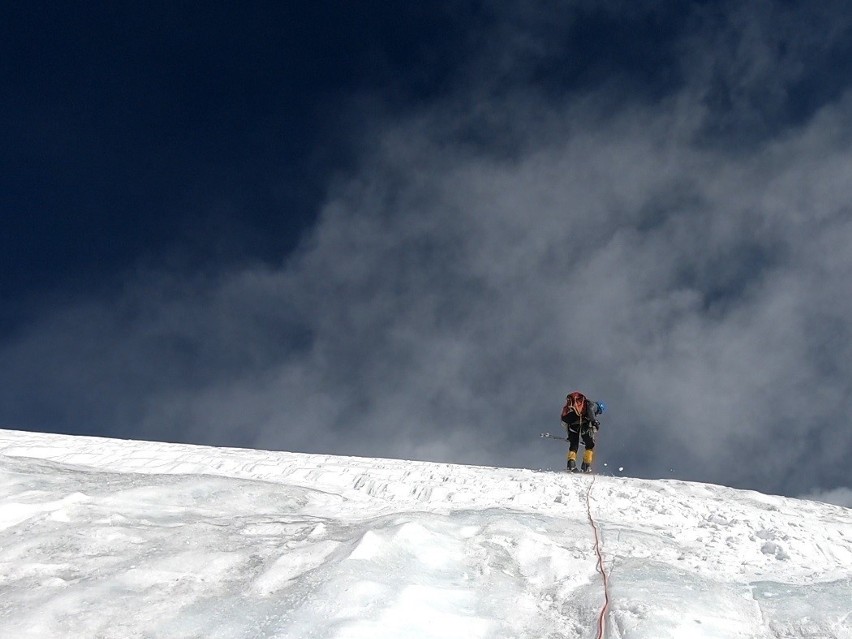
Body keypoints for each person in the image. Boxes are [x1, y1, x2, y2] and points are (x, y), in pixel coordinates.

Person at [560, 391, 604, 473]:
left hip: (572, 425)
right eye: (599, 412)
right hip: (583, 424)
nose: (598, 413)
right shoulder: (593, 405)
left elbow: (565, 422)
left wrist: (570, 436)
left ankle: (571, 466)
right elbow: (591, 411)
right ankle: (586, 466)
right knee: (590, 445)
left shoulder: (574, 409)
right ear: (599, 408)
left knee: (574, 445)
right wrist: (594, 422)